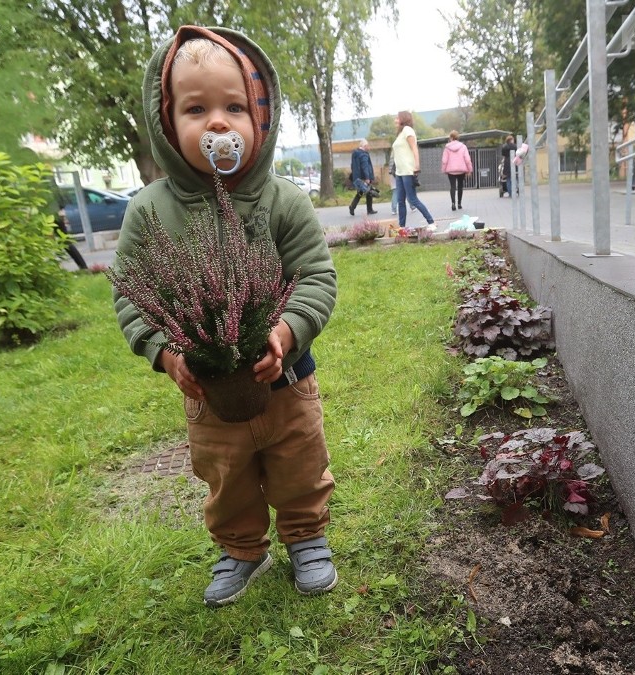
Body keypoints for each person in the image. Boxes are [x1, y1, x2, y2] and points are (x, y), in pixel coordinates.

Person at [112, 26, 338, 607]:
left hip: (287, 377)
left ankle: (306, 535)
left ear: (259, 118)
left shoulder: (282, 199)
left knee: (298, 459)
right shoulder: (150, 209)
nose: (217, 123)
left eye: (233, 106)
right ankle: (242, 547)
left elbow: (316, 276)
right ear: (166, 123)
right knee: (224, 472)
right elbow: (133, 296)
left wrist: (286, 330)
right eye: (196, 108)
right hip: (206, 387)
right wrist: (165, 351)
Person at [392, 110, 434, 230]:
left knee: (412, 199)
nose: (395, 120)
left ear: (403, 119)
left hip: (408, 170)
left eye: (397, 118)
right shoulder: (400, 133)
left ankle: (431, 222)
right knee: (400, 201)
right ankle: (402, 227)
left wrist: (417, 166)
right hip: (399, 172)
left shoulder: (408, 130)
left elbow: (414, 148)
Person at [441, 130, 473, 211]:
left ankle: (453, 204)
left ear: (451, 138)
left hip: (451, 170)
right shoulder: (463, 147)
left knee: (452, 186)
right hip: (461, 170)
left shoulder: (447, 148)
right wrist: (469, 170)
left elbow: (444, 160)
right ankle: (459, 204)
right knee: (460, 186)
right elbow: (468, 159)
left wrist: (444, 170)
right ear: (457, 138)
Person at [348, 139, 378, 216]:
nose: (369, 147)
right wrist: (367, 178)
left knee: (360, 193)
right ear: (364, 146)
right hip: (364, 177)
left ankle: (352, 207)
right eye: (368, 145)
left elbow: (352, 166)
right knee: (369, 192)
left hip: (357, 177)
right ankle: (369, 209)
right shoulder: (364, 155)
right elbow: (365, 167)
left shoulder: (355, 154)